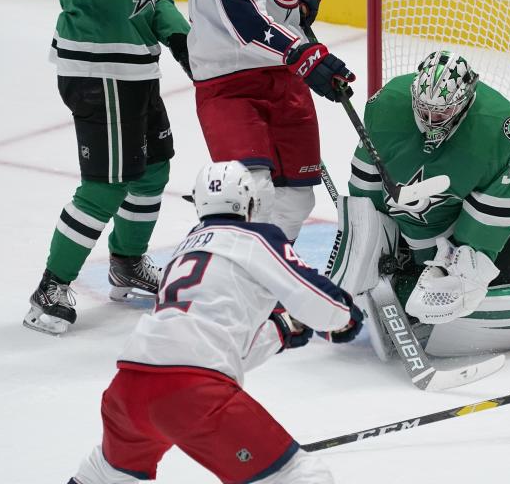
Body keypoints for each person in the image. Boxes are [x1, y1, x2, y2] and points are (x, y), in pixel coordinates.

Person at [68, 161, 364, 484]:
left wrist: (281, 330)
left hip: (128, 389)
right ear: (251, 201)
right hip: (192, 393)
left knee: (104, 474)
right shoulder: (256, 238)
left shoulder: (181, 253)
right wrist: (344, 316)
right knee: (300, 477)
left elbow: (215, 342)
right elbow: (313, 297)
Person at [326, 50, 510, 360]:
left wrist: (464, 264)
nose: (429, 120)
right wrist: (369, 236)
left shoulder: (495, 126)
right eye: (423, 109)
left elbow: (497, 208)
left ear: (464, 102)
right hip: (420, 225)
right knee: (400, 285)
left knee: (488, 284)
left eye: (441, 113)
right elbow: (366, 182)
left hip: (495, 224)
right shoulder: (386, 106)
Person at [23, 0, 201, 335]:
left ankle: (126, 263)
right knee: (105, 185)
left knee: (152, 172)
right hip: (99, 72)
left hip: (138, 71)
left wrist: (180, 40)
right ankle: (51, 286)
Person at [185, 0, 355, 243]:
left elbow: (271, 1)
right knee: (252, 193)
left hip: (279, 74)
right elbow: (243, 16)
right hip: (230, 81)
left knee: (297, 200)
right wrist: (302, 55)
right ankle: (222, 277)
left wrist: (298, 2)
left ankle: (267, 287)